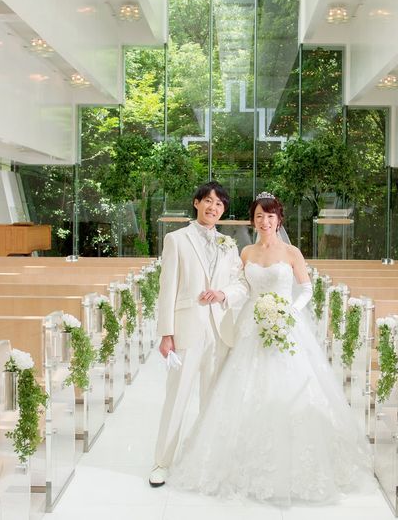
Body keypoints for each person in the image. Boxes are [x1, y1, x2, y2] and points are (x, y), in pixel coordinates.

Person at [168, 191, 374, 505]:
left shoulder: (292, 252)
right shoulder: (246, 252)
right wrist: (221, 295)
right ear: (253, 221)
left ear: (279, 219)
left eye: (270, 216)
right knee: (242, 387)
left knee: (289, 386)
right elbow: (240, 286)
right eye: (259, 216)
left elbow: (306, 289)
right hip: (251, 326)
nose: (265, 221)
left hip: (286, 324)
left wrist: (288, 311)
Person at [149, 181, 248, 488]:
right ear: (196, 203)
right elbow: (167, 289)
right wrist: (166, 334)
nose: (213, 207)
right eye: (208, 201)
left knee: (213, 400)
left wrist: (223, 293)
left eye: (219, 204)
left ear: (223, 210)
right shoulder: (176, 240)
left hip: (220, 331)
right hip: (186, 330)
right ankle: (162, 463)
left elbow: (242, 284)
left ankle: (207, 460)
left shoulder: (229, 245)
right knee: (176, 398)